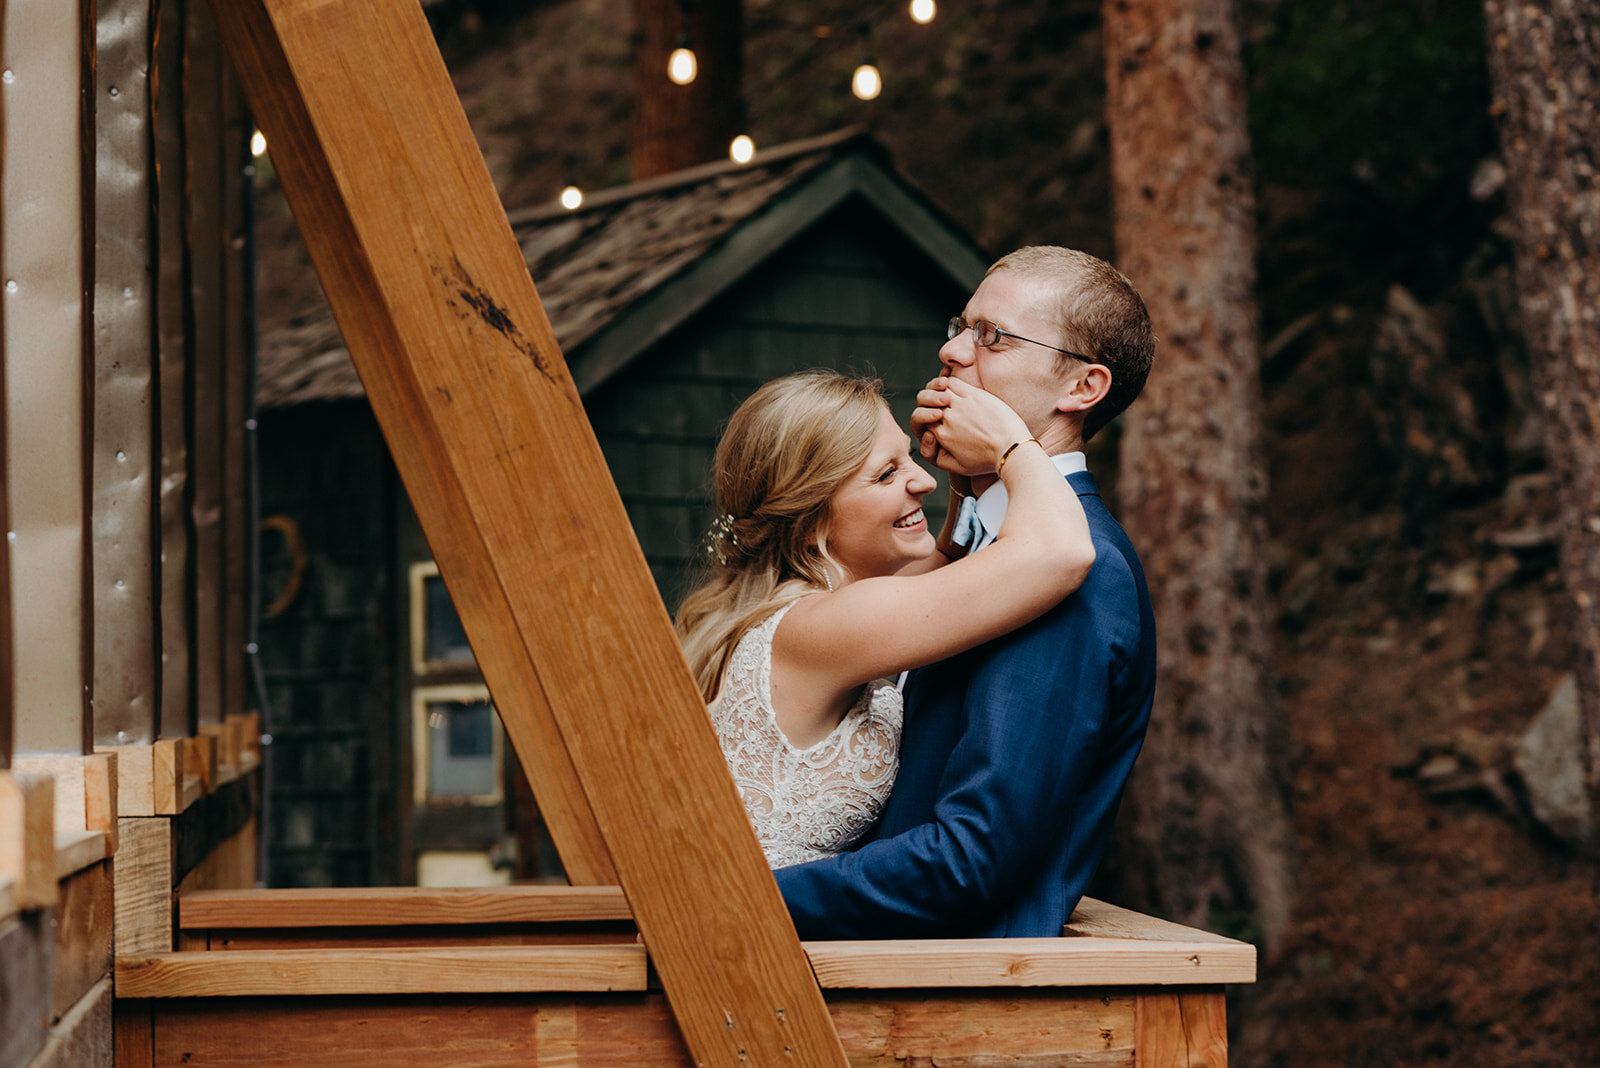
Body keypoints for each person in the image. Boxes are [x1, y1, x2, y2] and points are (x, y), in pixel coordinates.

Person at [774, 245, 1157, 938]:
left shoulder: (1079, 571)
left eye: (993, 338)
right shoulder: (991, 546)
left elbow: (970, 860)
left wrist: (748, 898)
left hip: (962, 992)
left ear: (1083, 388)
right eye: (961, 324)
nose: (951, 351)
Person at [675, 367, 1097, 868]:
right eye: (886, 474)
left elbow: (940, 565)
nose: (923, 480)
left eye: (910, 458)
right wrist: (1009, 443)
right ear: (813, 521)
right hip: (759, 933)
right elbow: (1062, 552)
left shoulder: (793, 610)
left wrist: (965, 482)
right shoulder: (824, 626)